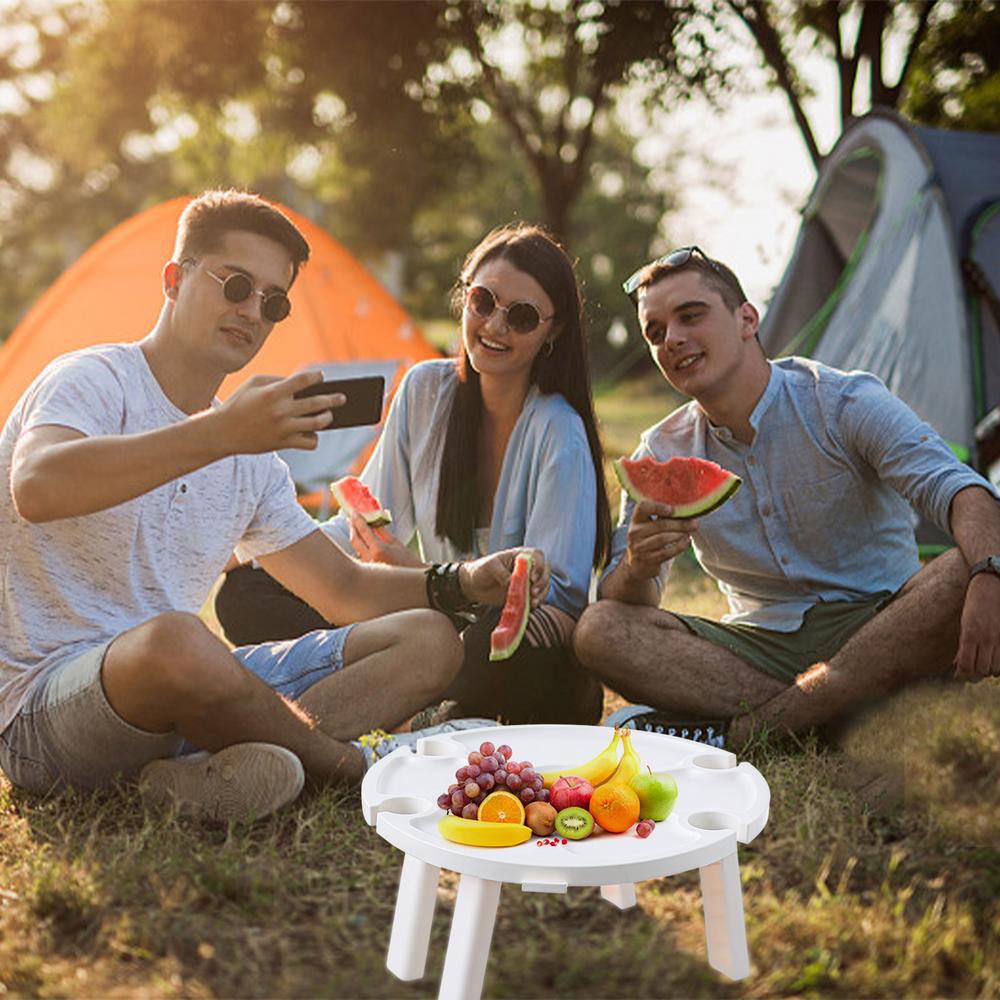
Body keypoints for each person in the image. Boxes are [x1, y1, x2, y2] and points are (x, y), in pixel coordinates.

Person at [0, 190, 549, 822]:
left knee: (428, 639)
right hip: (43, 716)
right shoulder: (95, 380)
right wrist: (220, 434)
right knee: (177, 642)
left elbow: (341, 586)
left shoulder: (250, 452)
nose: (253, 312)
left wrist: (462, 583)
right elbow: (36, 485)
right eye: (235, 285)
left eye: (274, 300)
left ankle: (198, 772)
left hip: (179, 702)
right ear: (174, 280)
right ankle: (351, 766)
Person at [573, 246, 1000, 745]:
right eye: (656, 332)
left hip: (882, 624)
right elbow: (627, 601)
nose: (674, 339)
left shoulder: (842, 401)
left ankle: (755, 730)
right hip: (759, 644)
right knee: (599, 630)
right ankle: (847, 714)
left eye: (691, 316)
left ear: (747, 320)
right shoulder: (662, 449)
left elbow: (962, 489)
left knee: (955, 571)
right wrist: (638, 568)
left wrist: (990, 571)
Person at [215, 223, 613, 725]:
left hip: (508, 647)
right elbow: (364, 524)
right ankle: (426, 708)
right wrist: (269, 550)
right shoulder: (425, 389)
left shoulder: (560, 429)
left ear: (553, 331)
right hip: (433, 617)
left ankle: (404, 702)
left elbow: (555, 598)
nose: (494, 326)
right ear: (464, 295)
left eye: (523, 316)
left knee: (517, 644)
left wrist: (416, 574)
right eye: (484, 302)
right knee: (248, 593)